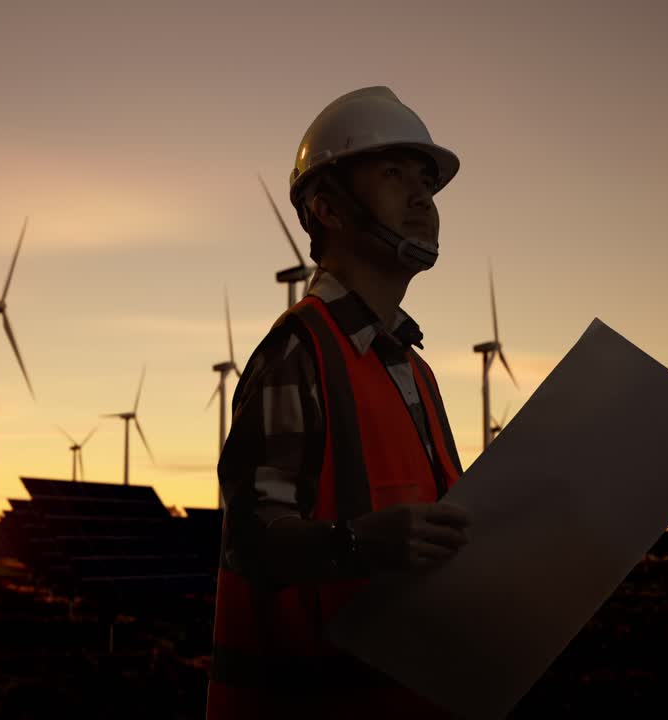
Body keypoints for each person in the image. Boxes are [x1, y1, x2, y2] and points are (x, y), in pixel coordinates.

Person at [205, 86, 473, 719]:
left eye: (428, 183)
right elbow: (252, 539)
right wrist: (358, 545)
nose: (422, 199)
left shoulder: (416, 370)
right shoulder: (299, 352)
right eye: (392, 173)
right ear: (327, 207)